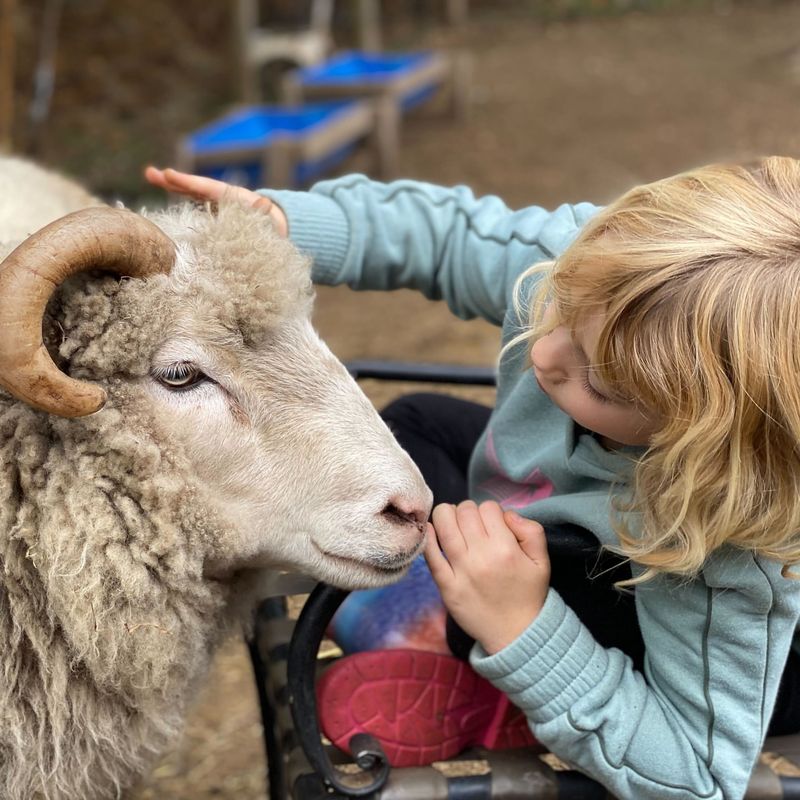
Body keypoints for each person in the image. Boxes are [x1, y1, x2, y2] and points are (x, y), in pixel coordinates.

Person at [145, 159, 800, 800]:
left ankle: (484, 668)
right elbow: (449, 236)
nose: (542, 352)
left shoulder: (723, 558)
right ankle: (444, 619)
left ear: (698, 442)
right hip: (531, 512)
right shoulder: (597, 274)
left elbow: (699, 778)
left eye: (598, 381)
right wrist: (288, 222)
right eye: (563, 308)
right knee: (417, 422)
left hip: (674, 631)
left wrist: (525, 628)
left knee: (514, 604)